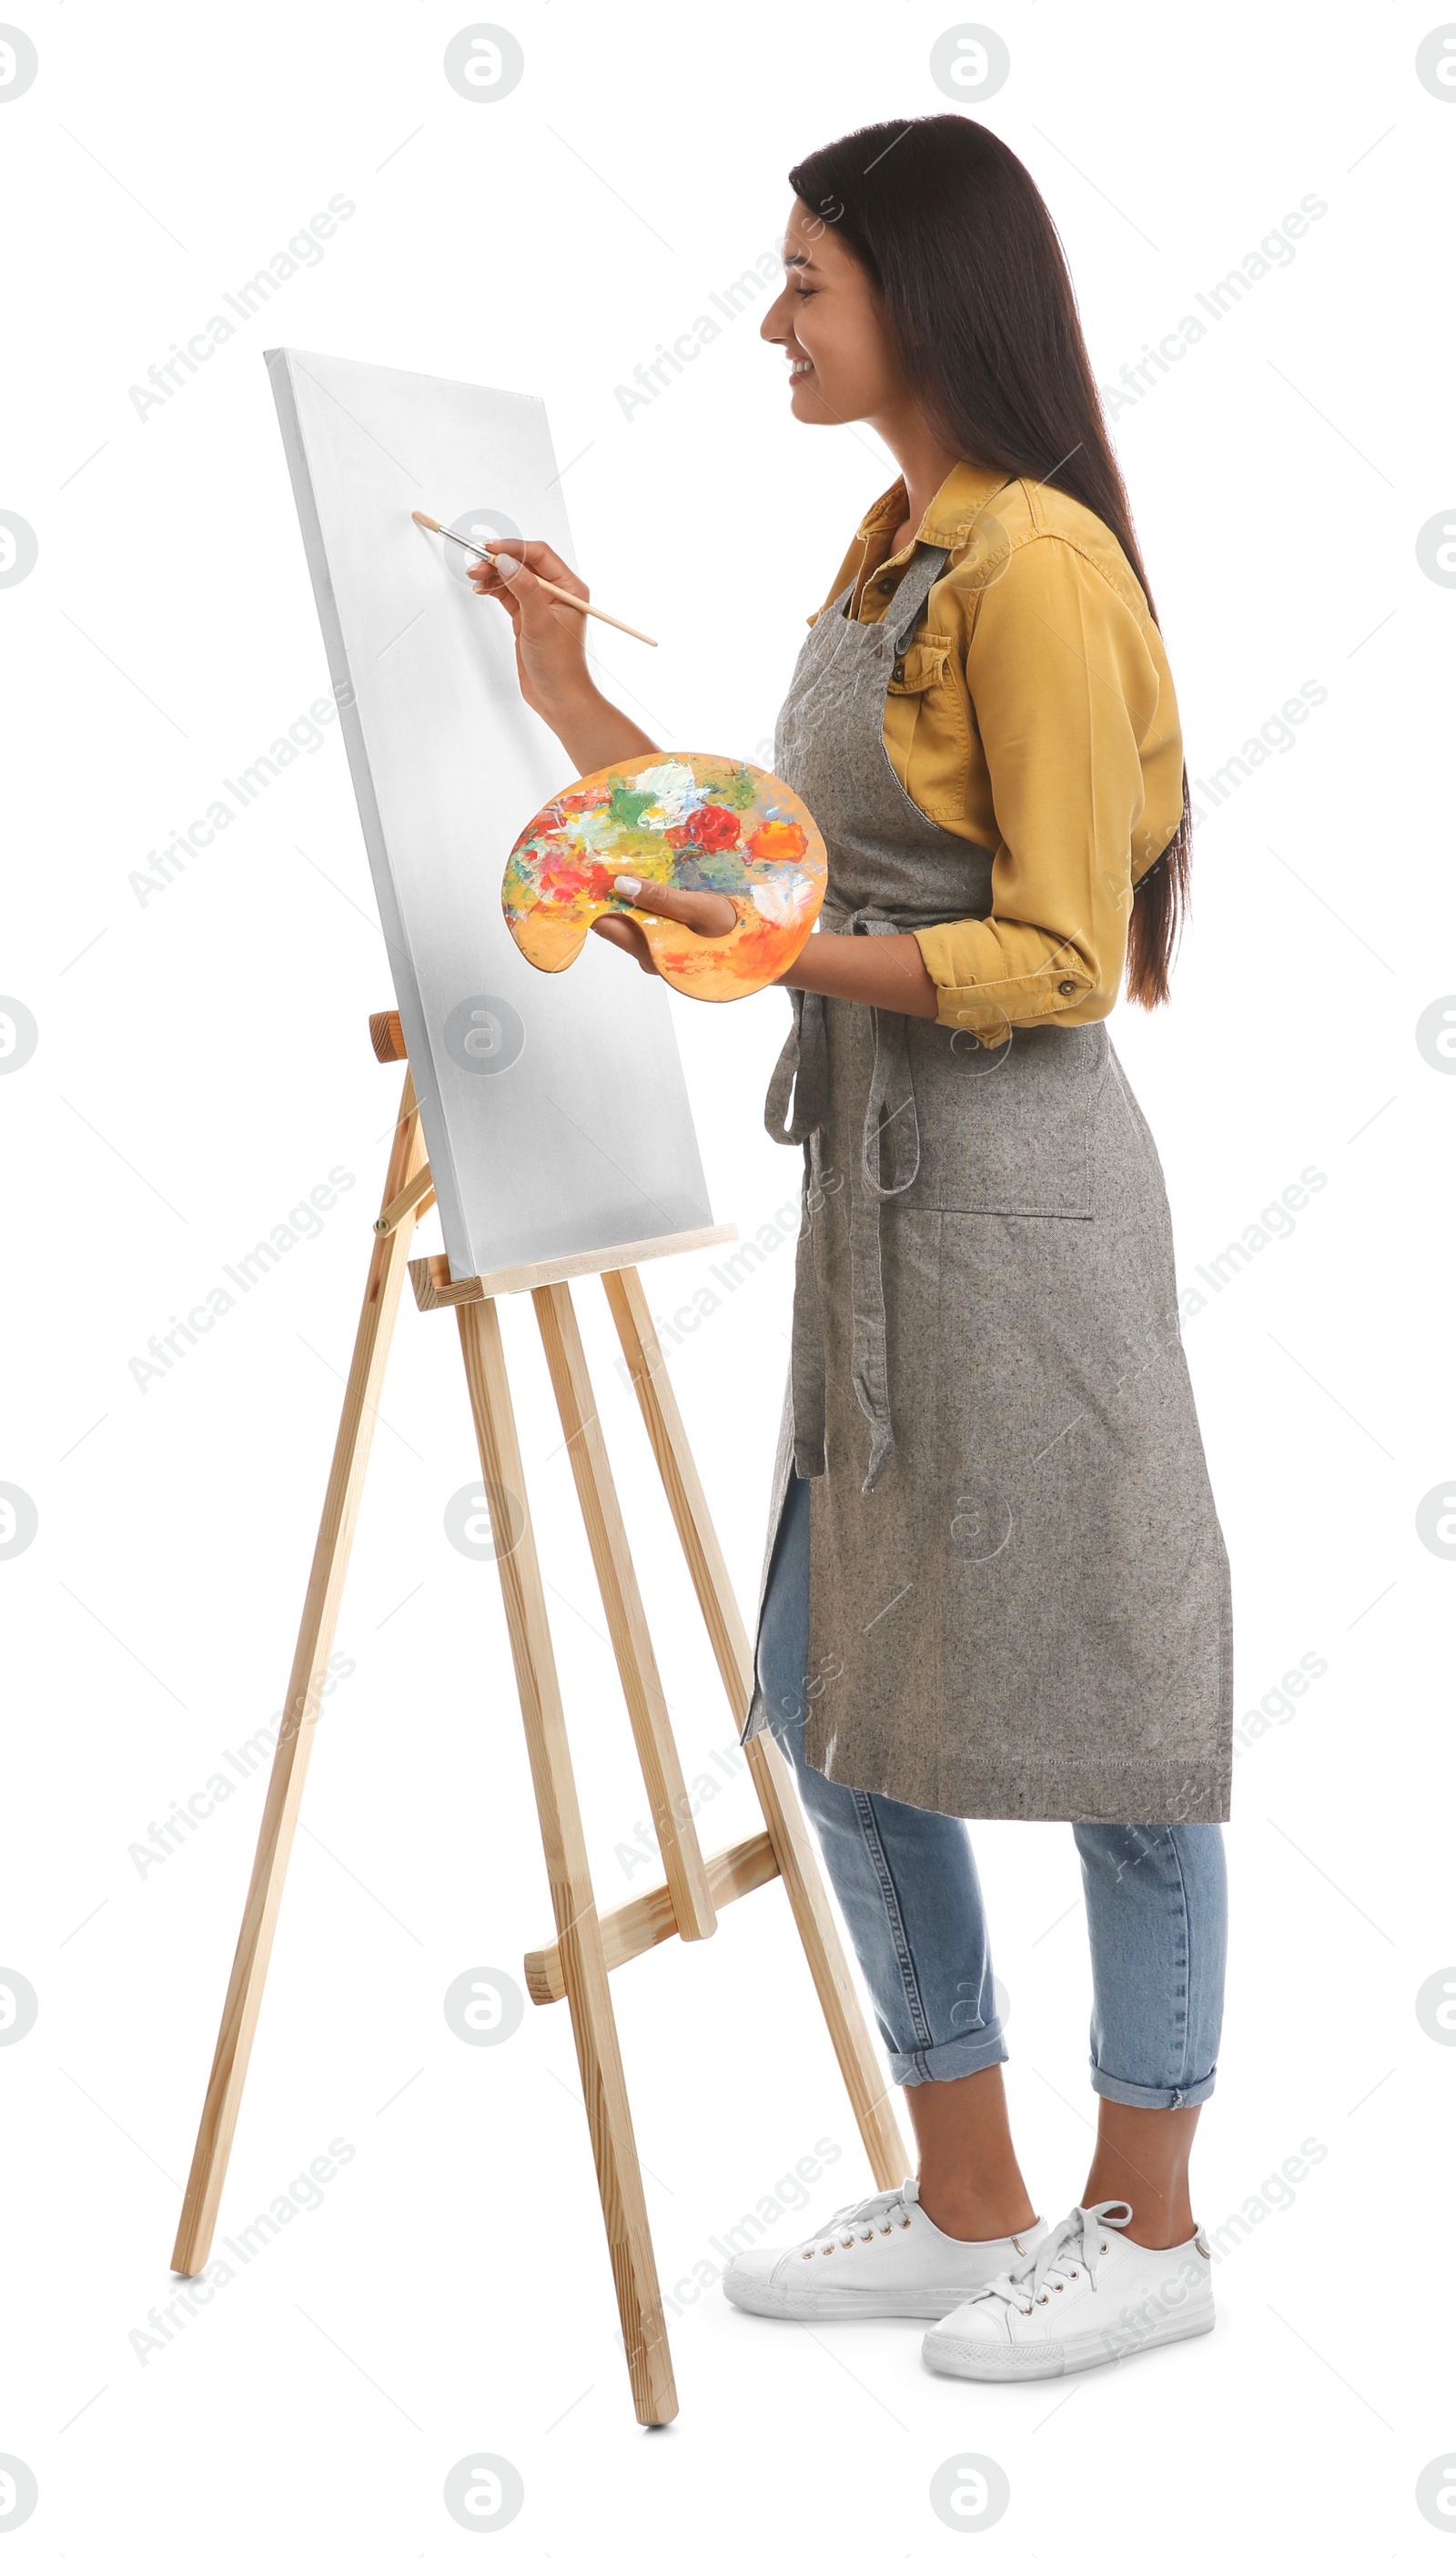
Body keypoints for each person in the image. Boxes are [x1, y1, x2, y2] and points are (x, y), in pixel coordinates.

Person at [467, 113, 1232, 2384]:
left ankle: (1152, 2214)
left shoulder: (1037, 567)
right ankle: (969, 2186)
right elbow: (782, 852)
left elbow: (1063, 953)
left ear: (918, 289)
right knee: (838, 1686)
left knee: (1110, 1706)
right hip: (882, 1206)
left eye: (803, 276)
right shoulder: (890, 537)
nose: (773, 316)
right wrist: (560, 703)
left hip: (1026, 1211)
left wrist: (787, 955)